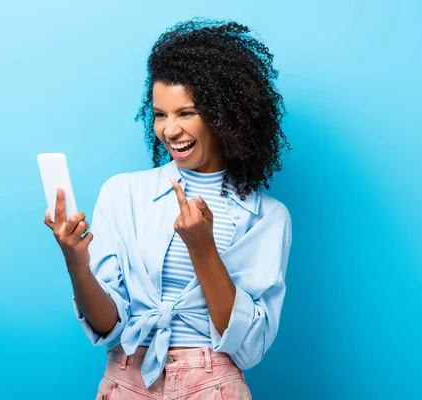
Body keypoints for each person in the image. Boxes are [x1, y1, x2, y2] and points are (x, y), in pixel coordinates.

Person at [44, 18, 292, 399]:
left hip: (213, 385)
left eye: (186, 113)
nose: (170, 130)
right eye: (161, 114)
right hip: (127, 379)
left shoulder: (268, 218)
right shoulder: (123, 193)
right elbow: (108, 325)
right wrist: (76, 264)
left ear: (227, 115)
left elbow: (250, 347)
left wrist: (202, 248)